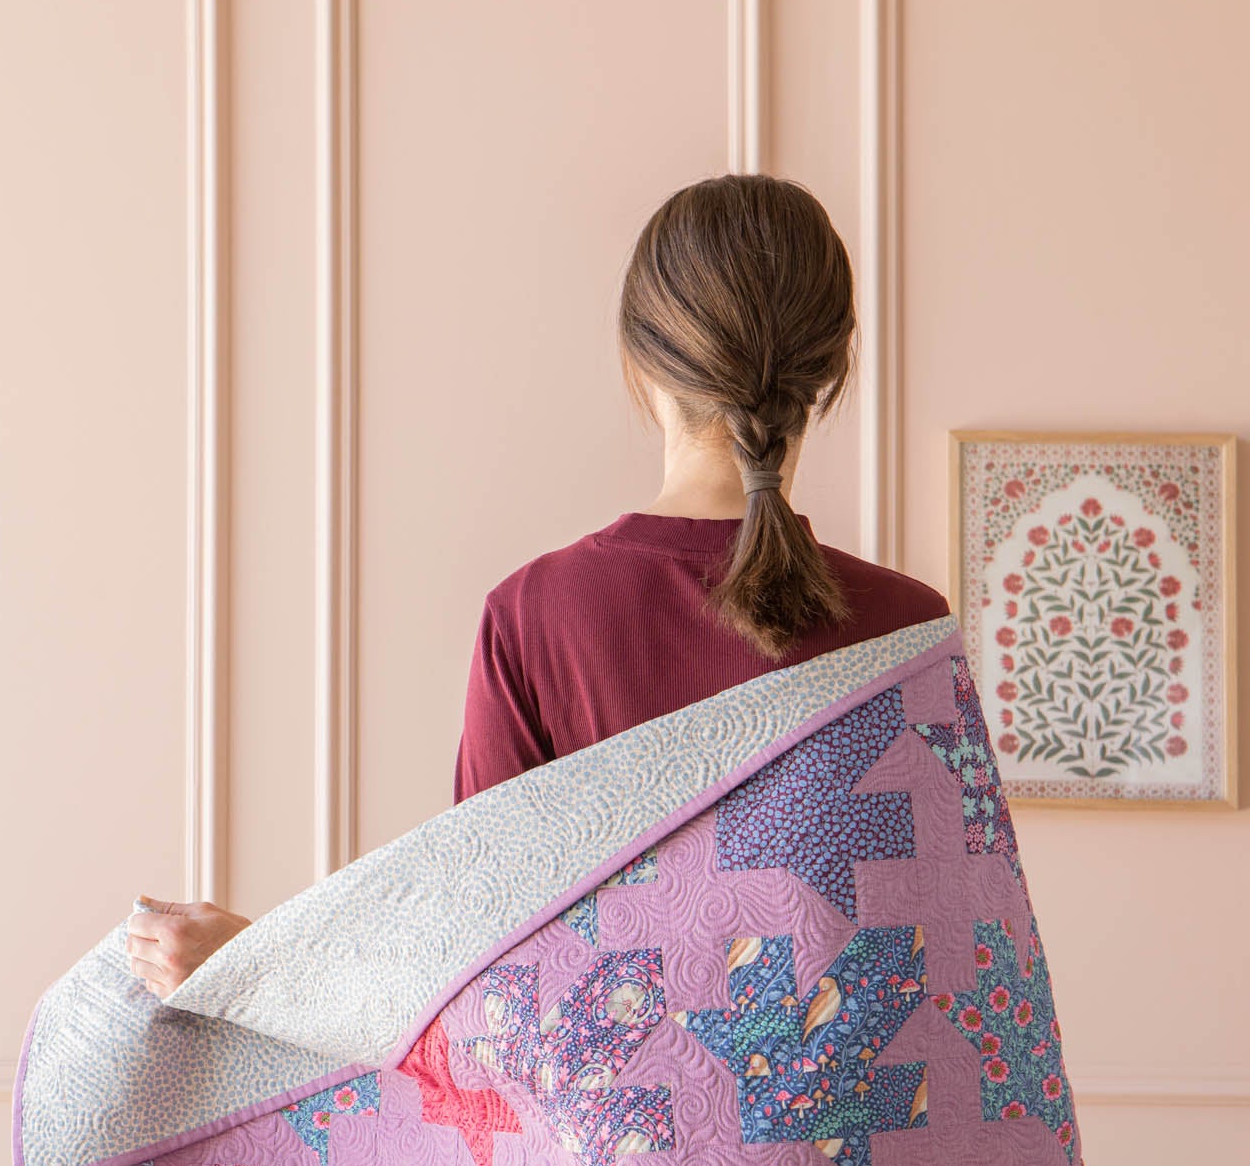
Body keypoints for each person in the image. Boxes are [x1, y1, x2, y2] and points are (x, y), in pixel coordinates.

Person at [126, 173, 949, 1001]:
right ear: (833, 367)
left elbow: (480, 974)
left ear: (641, 362)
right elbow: (948, 956)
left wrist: (256, 962)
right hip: (865, 1089)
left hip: (600, 1090)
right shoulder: (912, 627)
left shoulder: (537, 615)